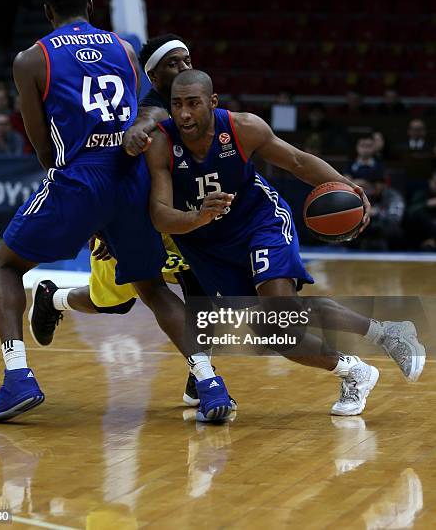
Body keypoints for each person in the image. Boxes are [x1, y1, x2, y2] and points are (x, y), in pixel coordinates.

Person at [0, 0, 231, 425]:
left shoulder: (31, 59)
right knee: (150, 286)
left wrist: (82, 203)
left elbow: (40, 143)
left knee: (5, 263)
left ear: (48, 12)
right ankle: (210, 384)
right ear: (91, 6)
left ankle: (18, 378)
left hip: (81, 176)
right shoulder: (124, 49)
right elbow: (134, 117)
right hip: (130, 177)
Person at [145, 69, 425, 416]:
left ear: (212, 102)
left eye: (193, 104)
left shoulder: (243, 128)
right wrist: (196, 219)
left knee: (281, 309)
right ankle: (355, 370)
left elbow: (297, 162)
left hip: (258, 222)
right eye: (176, 104)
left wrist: (348, 185)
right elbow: (159, 214)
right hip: (205, 242)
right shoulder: (161, 143)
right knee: (276, 332)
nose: (184, 114)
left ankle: (387, 335)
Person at [28, 34, 235, 409]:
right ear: (153, 77)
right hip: (132, 220)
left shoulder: (202, 110)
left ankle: (199, 375)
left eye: (187, 60)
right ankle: (52, 298)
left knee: (202, 292)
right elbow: (146, 123)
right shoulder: (150, 110)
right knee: (112, 303)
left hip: (177, 219)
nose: (184, 68)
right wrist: (102, 224)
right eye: (173, 64)